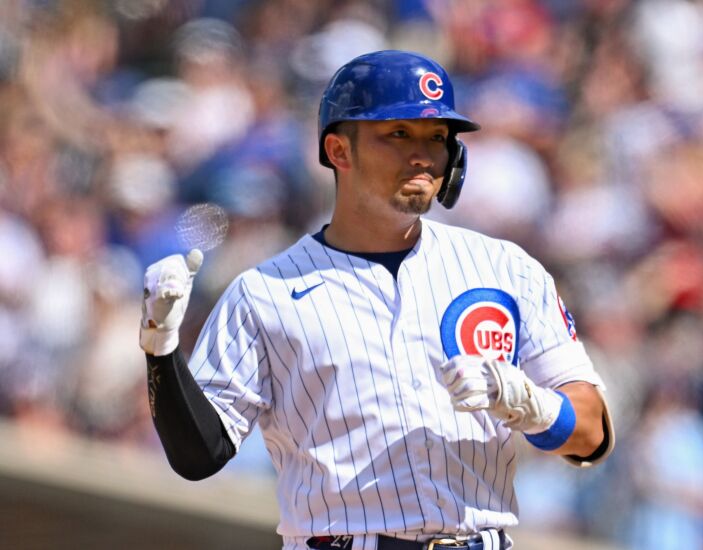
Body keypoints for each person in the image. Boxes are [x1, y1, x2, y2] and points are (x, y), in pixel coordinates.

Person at [139, 50, 614, 550]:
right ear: (339, 151)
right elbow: (198, 456)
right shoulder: (265, 292)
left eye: (437, 137)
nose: (423, 156)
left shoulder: (506, 269)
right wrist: (161, 351)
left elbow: (594, 435)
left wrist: (529, 405)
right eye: (399, 134)